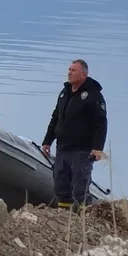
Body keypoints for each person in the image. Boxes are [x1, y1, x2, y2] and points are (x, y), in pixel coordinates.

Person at [41, 59, 108, 209]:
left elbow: (101, 123)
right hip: (63, 148)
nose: (69, 72)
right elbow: (56, 117)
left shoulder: (93, 95)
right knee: (61, 186)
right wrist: (47, 141)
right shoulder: (65, 92)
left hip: (82, 150)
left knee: (80, 188)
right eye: (69, 69)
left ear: (83, 75)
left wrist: (98, 148)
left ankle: (88, 217)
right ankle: (65, 217)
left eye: (73, 70)